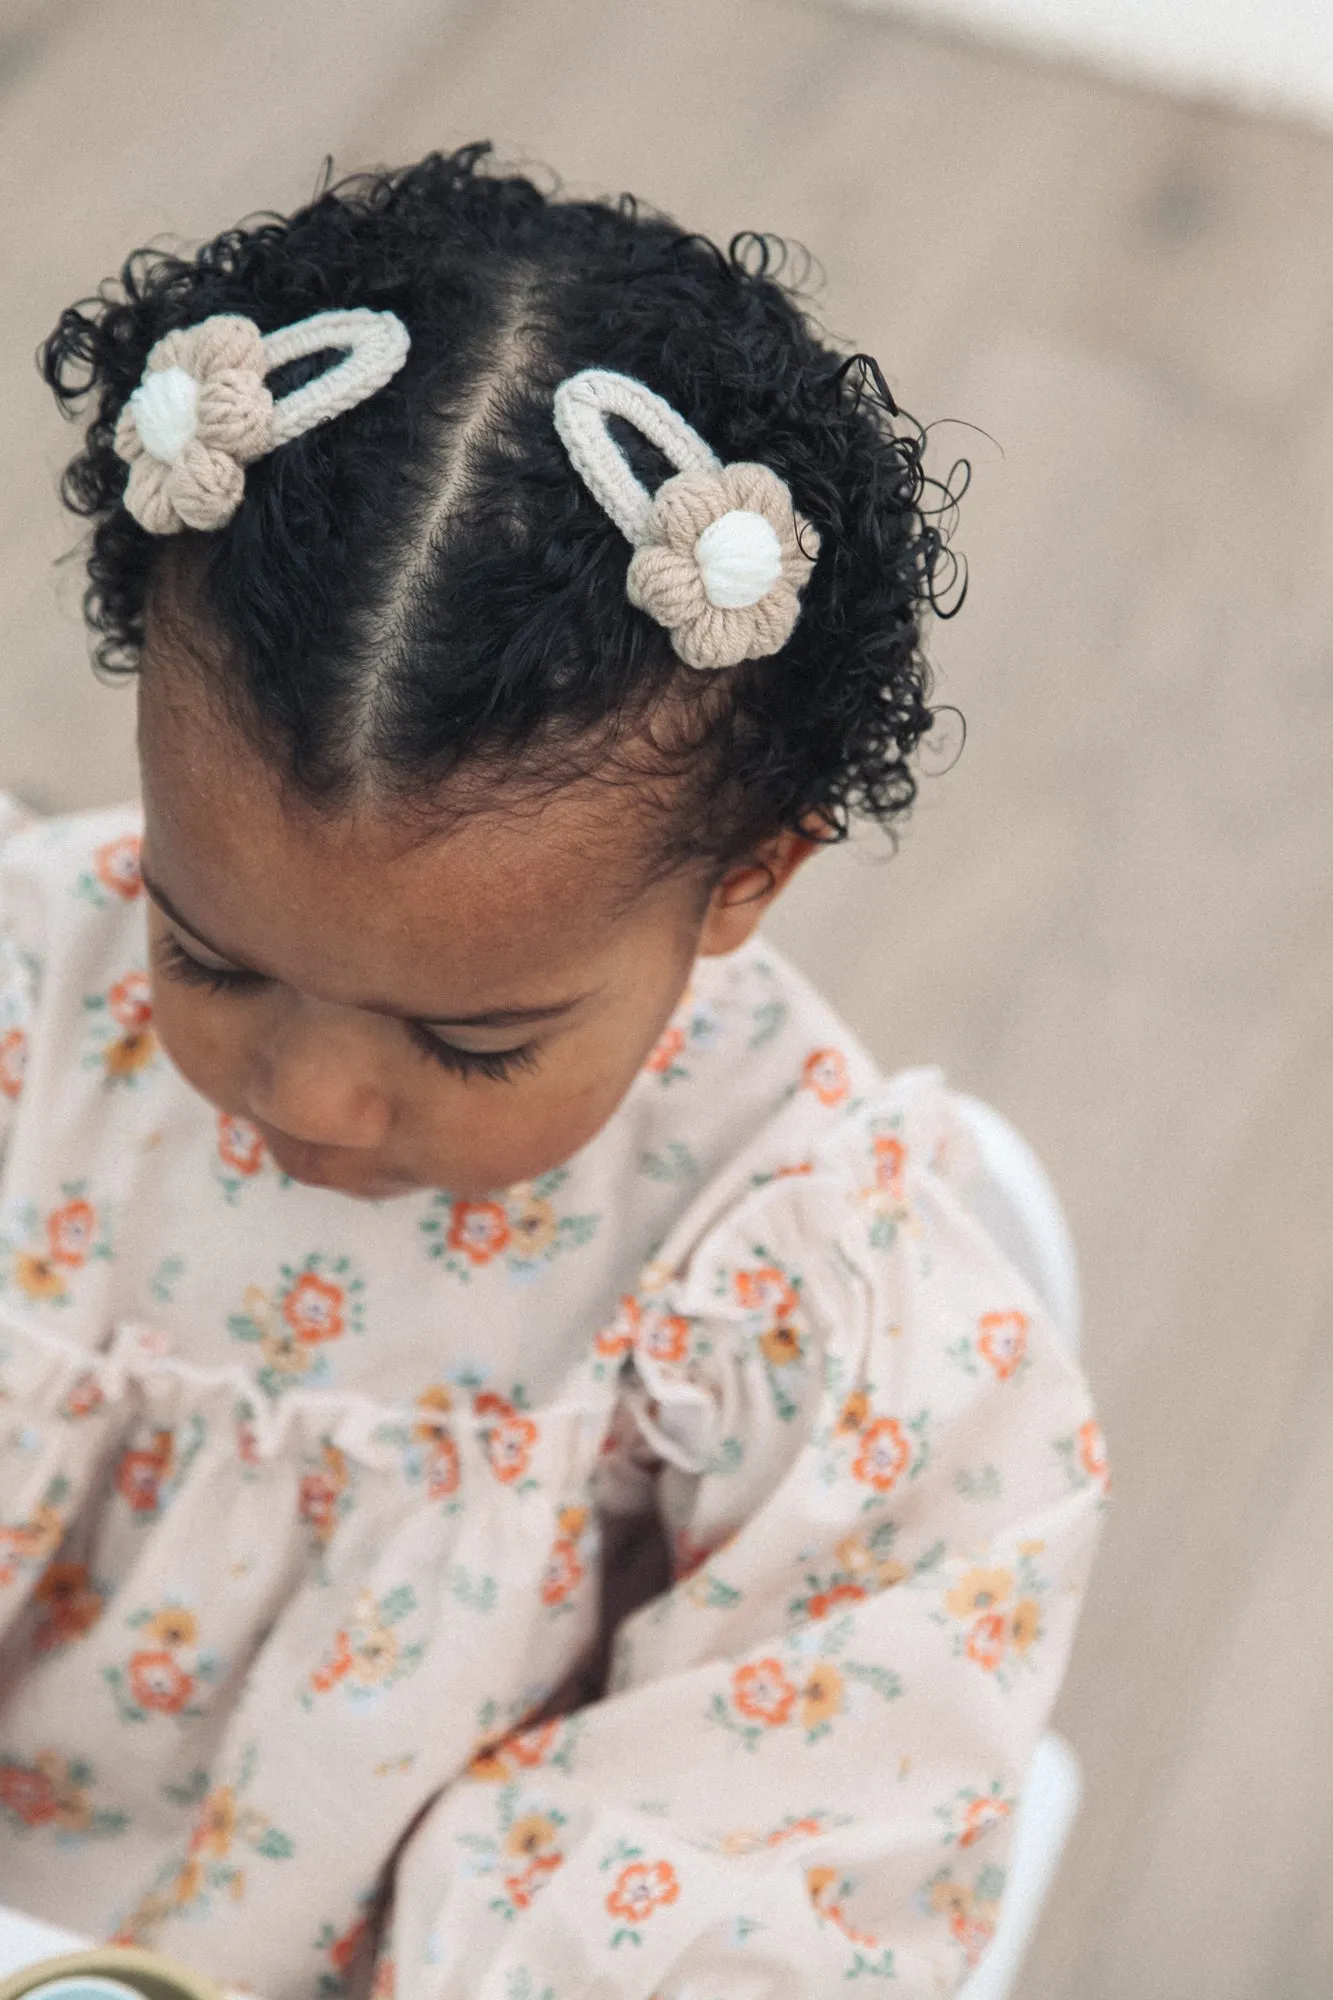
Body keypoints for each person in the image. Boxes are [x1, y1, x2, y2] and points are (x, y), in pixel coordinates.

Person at [0, 146, 1107, 2000]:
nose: (313, 1105)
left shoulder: (807, 1278)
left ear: (749, 877)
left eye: (470, 1041)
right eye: (210, 952)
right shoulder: (35, 1005)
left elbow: (809, 1790)